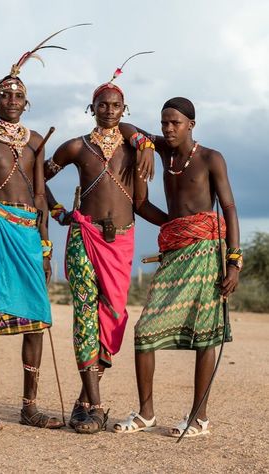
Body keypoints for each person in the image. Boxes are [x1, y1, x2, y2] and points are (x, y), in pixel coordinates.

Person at [113, 97, 241, 438]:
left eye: (176, 123)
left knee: (205, 335)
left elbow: (228, 208)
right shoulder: (161, 150)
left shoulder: (211, 158)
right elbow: (126, 128)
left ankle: (199, 419)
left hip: (206, 251)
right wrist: (142, 144)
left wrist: (234, 263)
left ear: (191, 125)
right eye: (164, 123)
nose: (168, 129)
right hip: (174, 250)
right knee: (145, 331)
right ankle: (146, 414)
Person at [44, 78, 166, 434]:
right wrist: (56, 211)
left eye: (116, 106)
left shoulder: (133, 149)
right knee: (85, 314)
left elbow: (140, 204)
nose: (109, 111)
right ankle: (96, 406)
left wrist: (174, 223)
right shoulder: (76, 148)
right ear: (91, 108)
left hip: (121, 241)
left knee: (111, 317)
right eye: (103, 105)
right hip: (83, 236)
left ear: (123, 110)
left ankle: (84, 399)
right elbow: (38, 176)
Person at [0, 38, 68, 431]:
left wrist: (45, 246)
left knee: (36, 321)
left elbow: (39, 196)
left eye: (18, 95)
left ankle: (29, 406)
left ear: (27, 102)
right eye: (5, 94)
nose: (12, 100)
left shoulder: (36, 141)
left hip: (27, 237)